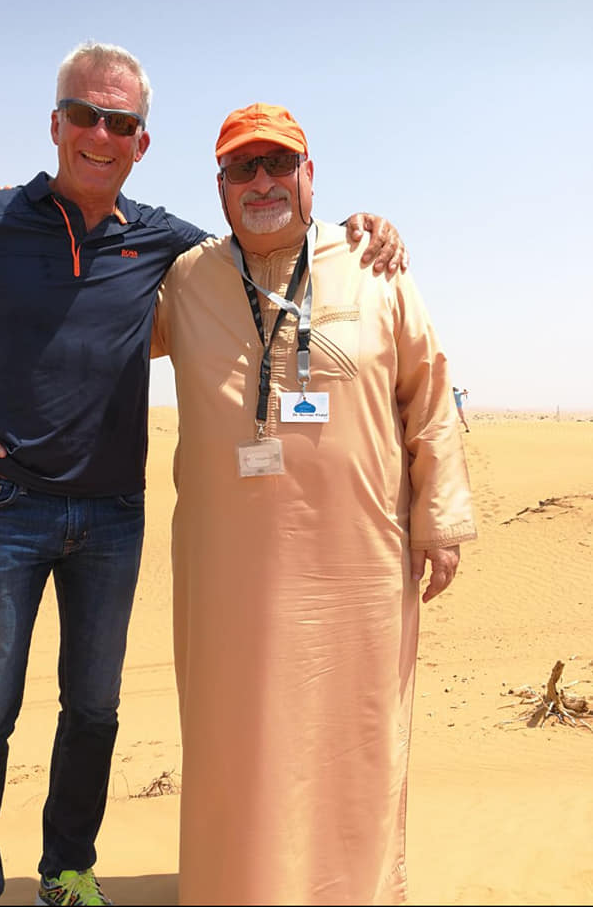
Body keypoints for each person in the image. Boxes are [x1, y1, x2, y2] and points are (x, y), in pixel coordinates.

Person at [0, 44, 407, 907]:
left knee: (93, 712)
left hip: (114, 517)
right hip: (3, 506)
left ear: (141, 142)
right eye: (84, 115)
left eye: (120, 122)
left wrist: (362, 230)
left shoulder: (168, 241)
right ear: (56, 123)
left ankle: (67, 873)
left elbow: (269, 244)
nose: (99, 134)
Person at [151, 103, 478, 905]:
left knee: (354, 738)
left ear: (308, 174)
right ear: (220, 187)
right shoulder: (185, 281)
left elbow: (428, 395)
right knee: (239, 737)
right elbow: (85, 321)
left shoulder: (373, 266)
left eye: (276, 164)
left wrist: (439, 517)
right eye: (241, 168)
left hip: (357, 567)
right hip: (229, 571)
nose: (260, 182)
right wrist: (18, 233)